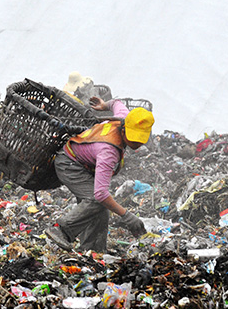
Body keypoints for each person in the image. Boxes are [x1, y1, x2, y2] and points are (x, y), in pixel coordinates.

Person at [44, 97, 154, 253]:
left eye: (140, 140)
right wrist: (127, 216)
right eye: (133, 139)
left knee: (101, 210)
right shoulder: (109, 151)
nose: (137, 144)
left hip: (82, 164)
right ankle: (61, 230)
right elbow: (100, 194)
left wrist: (104, 105)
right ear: (124, 130)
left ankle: (93, 252)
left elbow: (116, 103)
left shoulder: (125, 118)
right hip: (70, 165)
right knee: (96, 200)